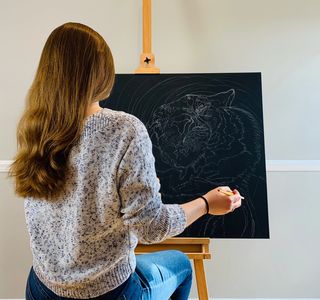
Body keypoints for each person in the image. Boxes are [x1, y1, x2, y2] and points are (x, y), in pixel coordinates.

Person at [9, 22, 242, 300]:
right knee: (181, 265)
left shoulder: (35, 126)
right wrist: (206, 204)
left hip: (42, 288)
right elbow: (151, 227)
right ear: (102, 73)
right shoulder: (124, 129)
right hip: (109, 292)